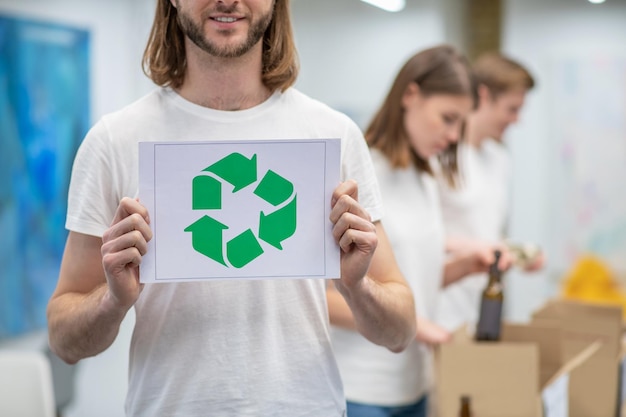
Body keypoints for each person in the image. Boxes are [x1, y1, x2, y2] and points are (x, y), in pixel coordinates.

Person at [45, 1, 417, 416]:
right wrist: (112, 300)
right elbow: (64, 341)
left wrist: (357, 287)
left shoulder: (333, 136)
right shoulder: (114, 141)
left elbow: (400, 332)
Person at [326, 45, 510, 417]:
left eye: (462, 122)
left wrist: (463, 266)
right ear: (410, 95)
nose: (455, 135)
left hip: (413, 386)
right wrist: (417, 325)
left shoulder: (424, 179)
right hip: (361, 387)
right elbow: (323, 296)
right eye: (447, 118)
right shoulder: (355, 176)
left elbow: (404, 280)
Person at [435, 52, 544, 333]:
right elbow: (416, 235)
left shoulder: (499, 158)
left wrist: (519, 253)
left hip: (484, 306)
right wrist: (475, 249)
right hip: (442, 307)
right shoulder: (439, 154)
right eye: (512, 108)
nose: (516, 120)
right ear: (483, 96)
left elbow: (486, 231)